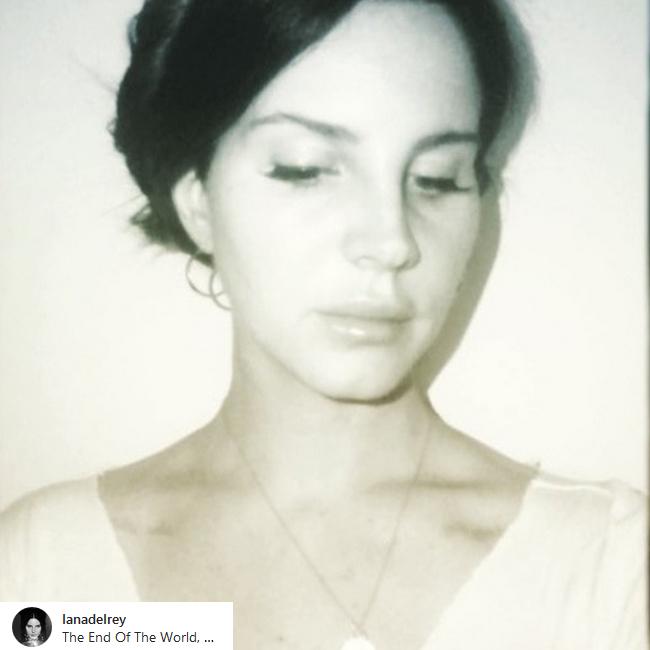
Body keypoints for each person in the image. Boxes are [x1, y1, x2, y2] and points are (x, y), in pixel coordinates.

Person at [0, 1, 645, 648]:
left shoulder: (605, 571)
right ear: (198, 204)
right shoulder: (48, 580)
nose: (392, 242)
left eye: (437, 179)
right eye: (304, 169)